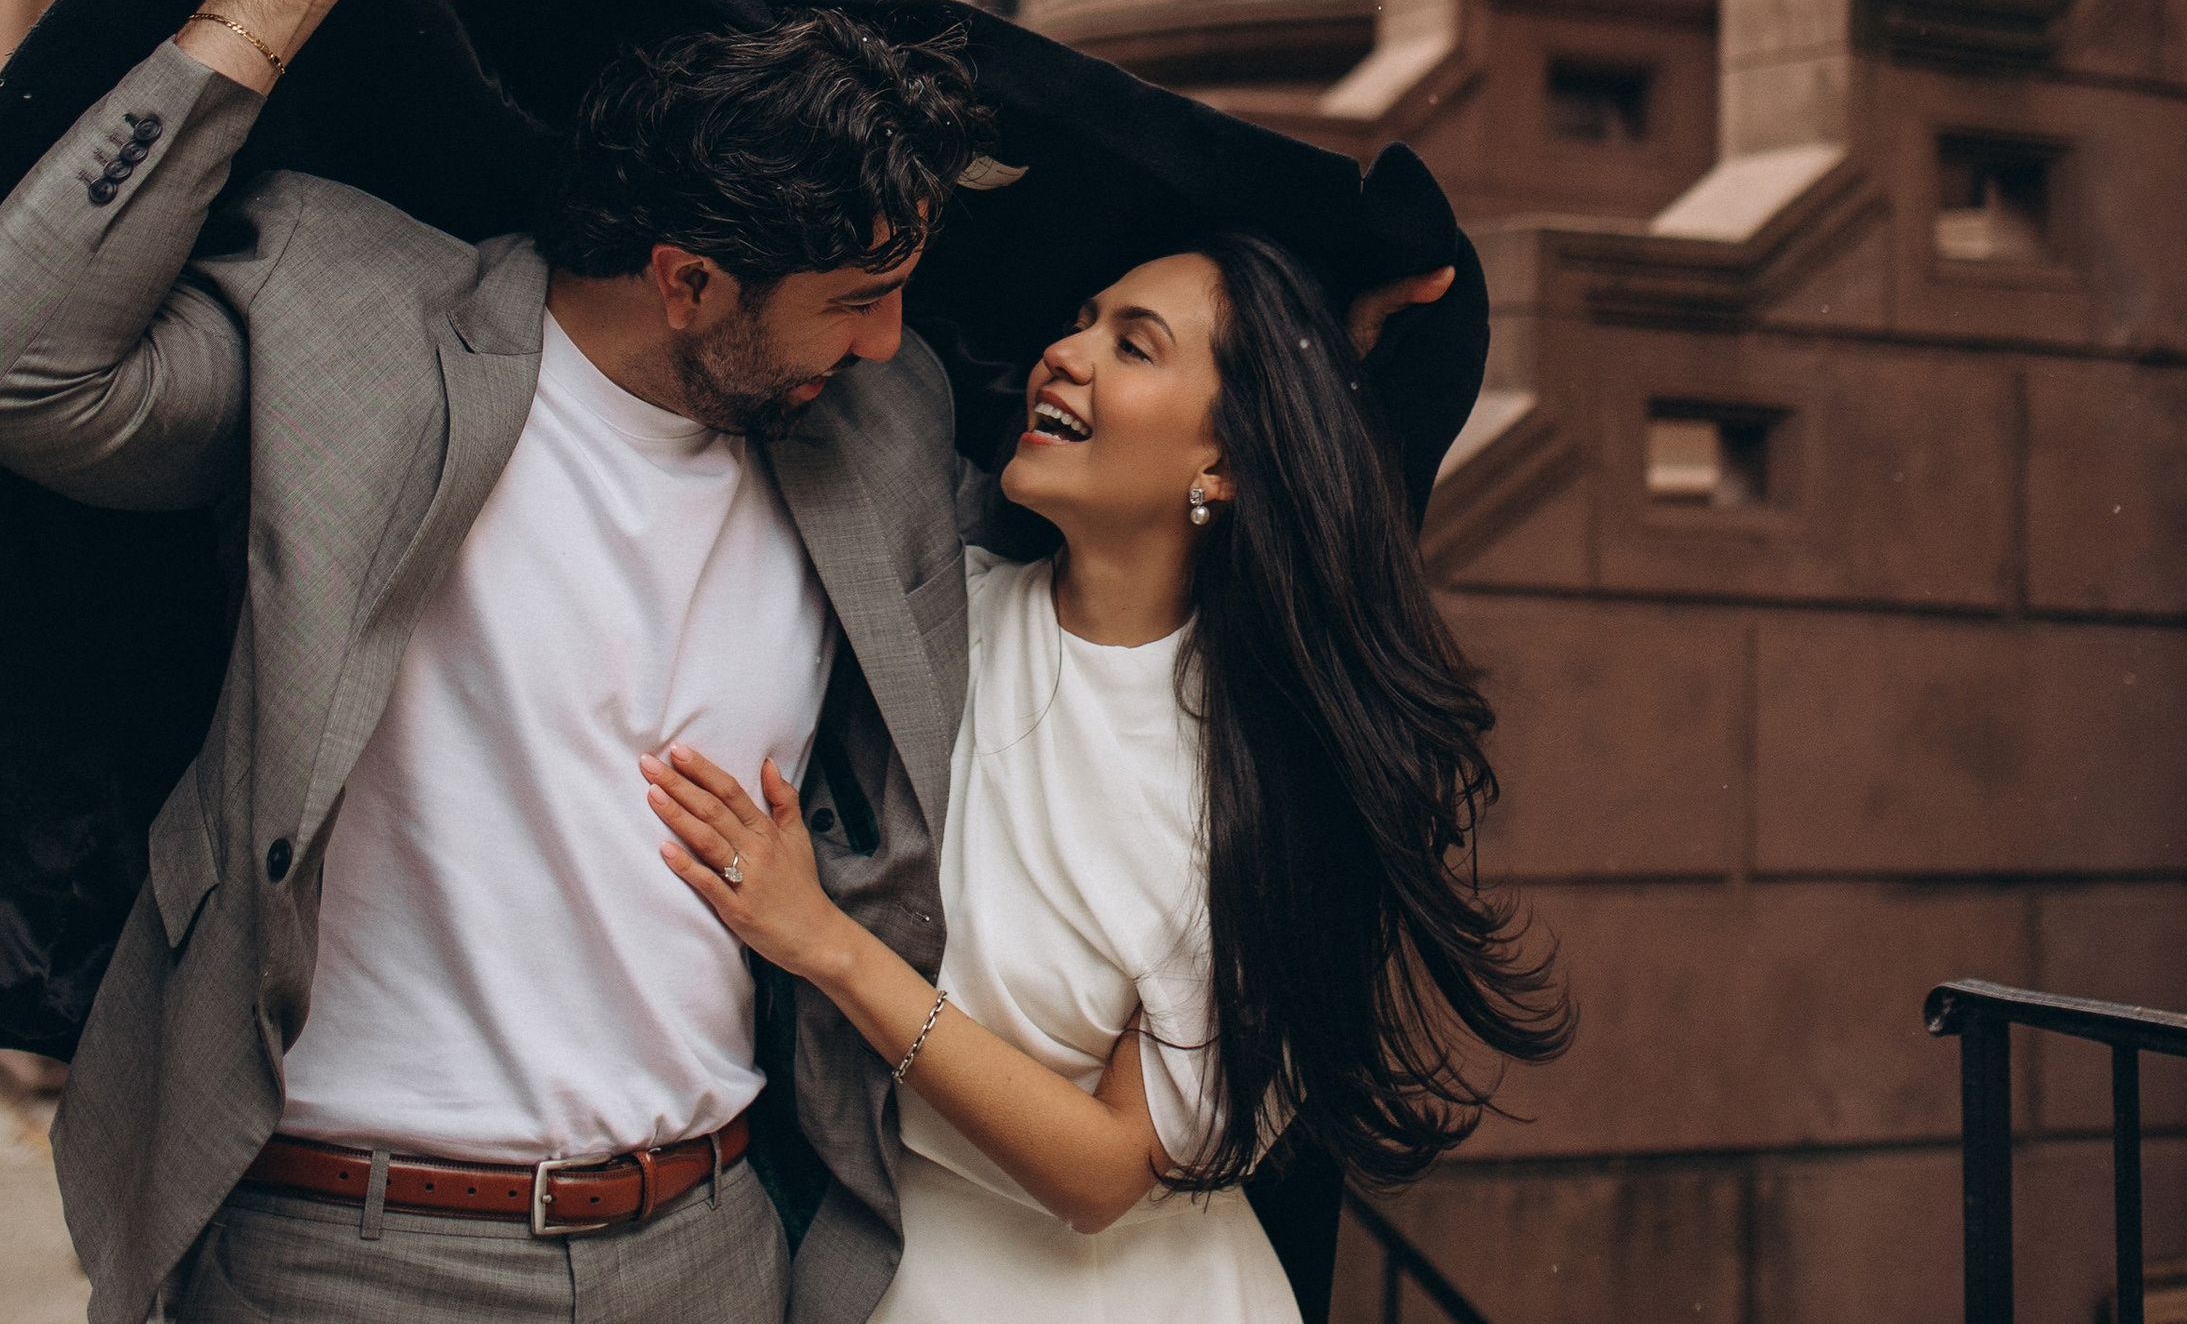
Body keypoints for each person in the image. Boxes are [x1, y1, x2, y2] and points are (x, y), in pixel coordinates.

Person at [0, 0, 1462, 1324]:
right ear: (690, 280)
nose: (895, 343)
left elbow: (1169, 479)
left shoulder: (882, 434)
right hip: (348, 1244)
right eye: (856, 300)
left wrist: (1343, 347)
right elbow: (1, 369)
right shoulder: (357, 332)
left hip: (720, 1248)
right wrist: (265, 3)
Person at [642, 236, 1573, 1320]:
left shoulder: (1263, 780)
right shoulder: (944, 611)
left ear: (1223, 465)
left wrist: (825, 941)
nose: (1063, 352)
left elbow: (1104, 1171)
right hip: (883, 1269)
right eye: (1080, 318)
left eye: (1132, 345)